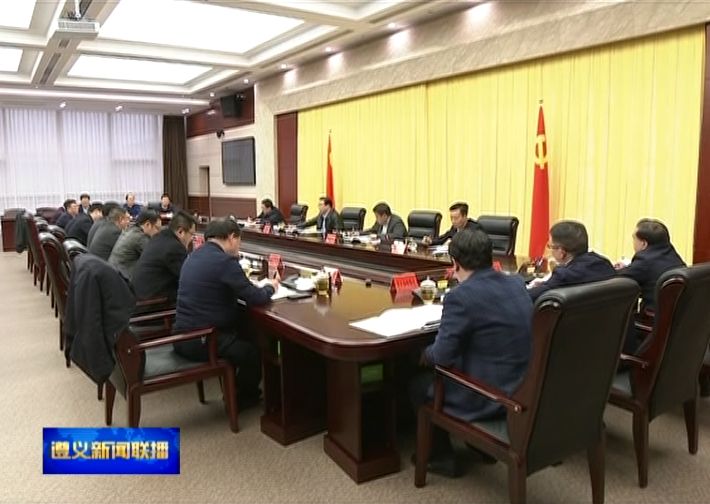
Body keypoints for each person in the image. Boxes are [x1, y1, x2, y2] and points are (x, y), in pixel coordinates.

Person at [410, 230, 532, 477]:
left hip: (489, 396)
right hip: (522, 388)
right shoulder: (516, 283)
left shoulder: (460, 297)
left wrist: (422, 354)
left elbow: (441, 357)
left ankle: (440, 457)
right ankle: (482, 449)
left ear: (455, 263)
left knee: (417, 384)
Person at [173, 219, 279, 409]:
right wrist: (271, 287)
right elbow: (255, 297)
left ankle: (237, 390)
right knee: (251, 352)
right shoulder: (224, 262)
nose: (239, 246)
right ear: (232, 238)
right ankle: (239, 398)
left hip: (183, 335)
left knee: (247, 330)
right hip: (203, 340)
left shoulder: (193, 256)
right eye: (239, 241)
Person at [527, 220, 616, 299]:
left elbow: (527, 298)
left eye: (550, 246)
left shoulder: (563, 276)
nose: (550, 250)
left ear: (561, 252)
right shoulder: (604, 264)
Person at [616, 218, 685, 313]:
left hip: (653, 316)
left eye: (634, 239)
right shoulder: (670, 252)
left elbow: (616, 278)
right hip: (677, 313)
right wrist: (630, 266)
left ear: (644, 243)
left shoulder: (644, 260)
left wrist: (619, 269)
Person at [131, 210, 196, 302]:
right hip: (152, 301)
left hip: (138, 295)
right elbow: (188, 277)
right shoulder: (175, 247)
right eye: (192, 234)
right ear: (180, 231)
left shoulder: (159, 237)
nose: (192, 238)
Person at [108, 209, 162, 280]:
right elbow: (156, 258)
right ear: (147, 224)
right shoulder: (140, 237)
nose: (159, 232)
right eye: (157, 228)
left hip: (114, 272)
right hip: (123, 278)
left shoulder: (131, 229)